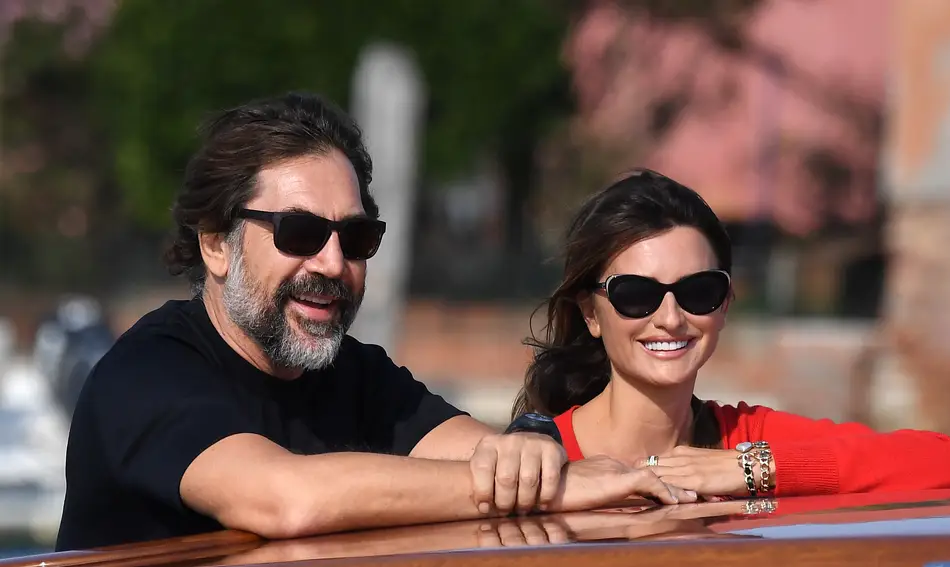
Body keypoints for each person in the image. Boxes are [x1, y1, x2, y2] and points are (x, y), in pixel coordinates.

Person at [54, 94, 690, 551]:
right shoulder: (145, 375)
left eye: (355, 237)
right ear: (216, 244)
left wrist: (531, 443)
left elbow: (491, 453)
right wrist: (547, 489)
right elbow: (286, 499)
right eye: (300, 232)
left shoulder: (356, 373)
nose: (332, 263)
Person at [511, 169, 950, 500]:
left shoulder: (746, 440)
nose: (671, 318)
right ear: (591, 313)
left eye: (699, 291)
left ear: (726, 303)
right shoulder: (533, 455)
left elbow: (947, 462)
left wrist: (750, 469)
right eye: (636, 295)